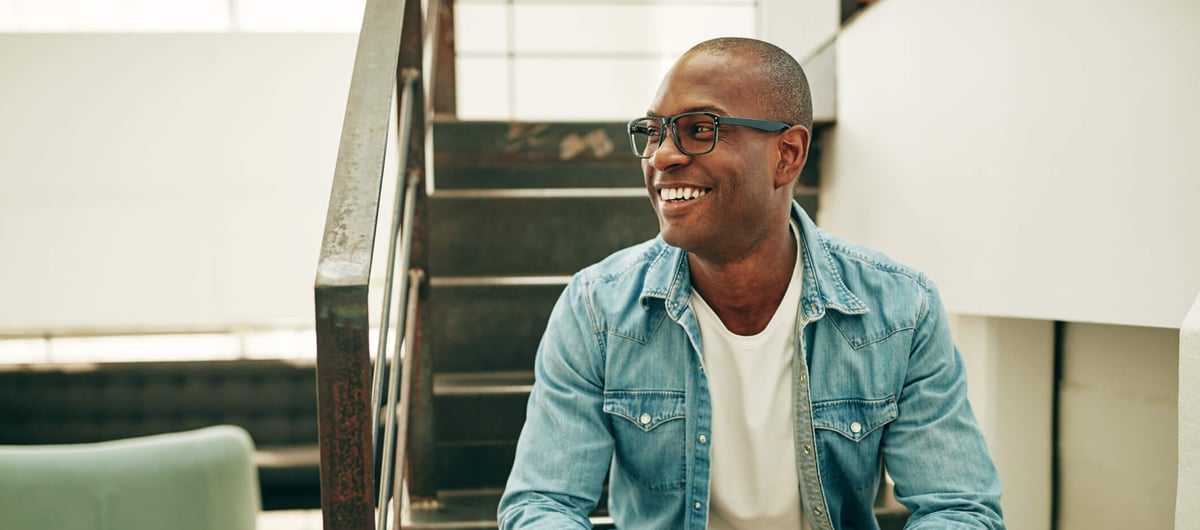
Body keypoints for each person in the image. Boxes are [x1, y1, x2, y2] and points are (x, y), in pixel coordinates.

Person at [498, 37, 1004, 530]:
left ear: (787, 155)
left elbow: (958, 509)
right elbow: (543, 502)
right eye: (654, 131)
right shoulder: (598, 309)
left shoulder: (898, 309)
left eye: (700, 129)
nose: (661, 157)